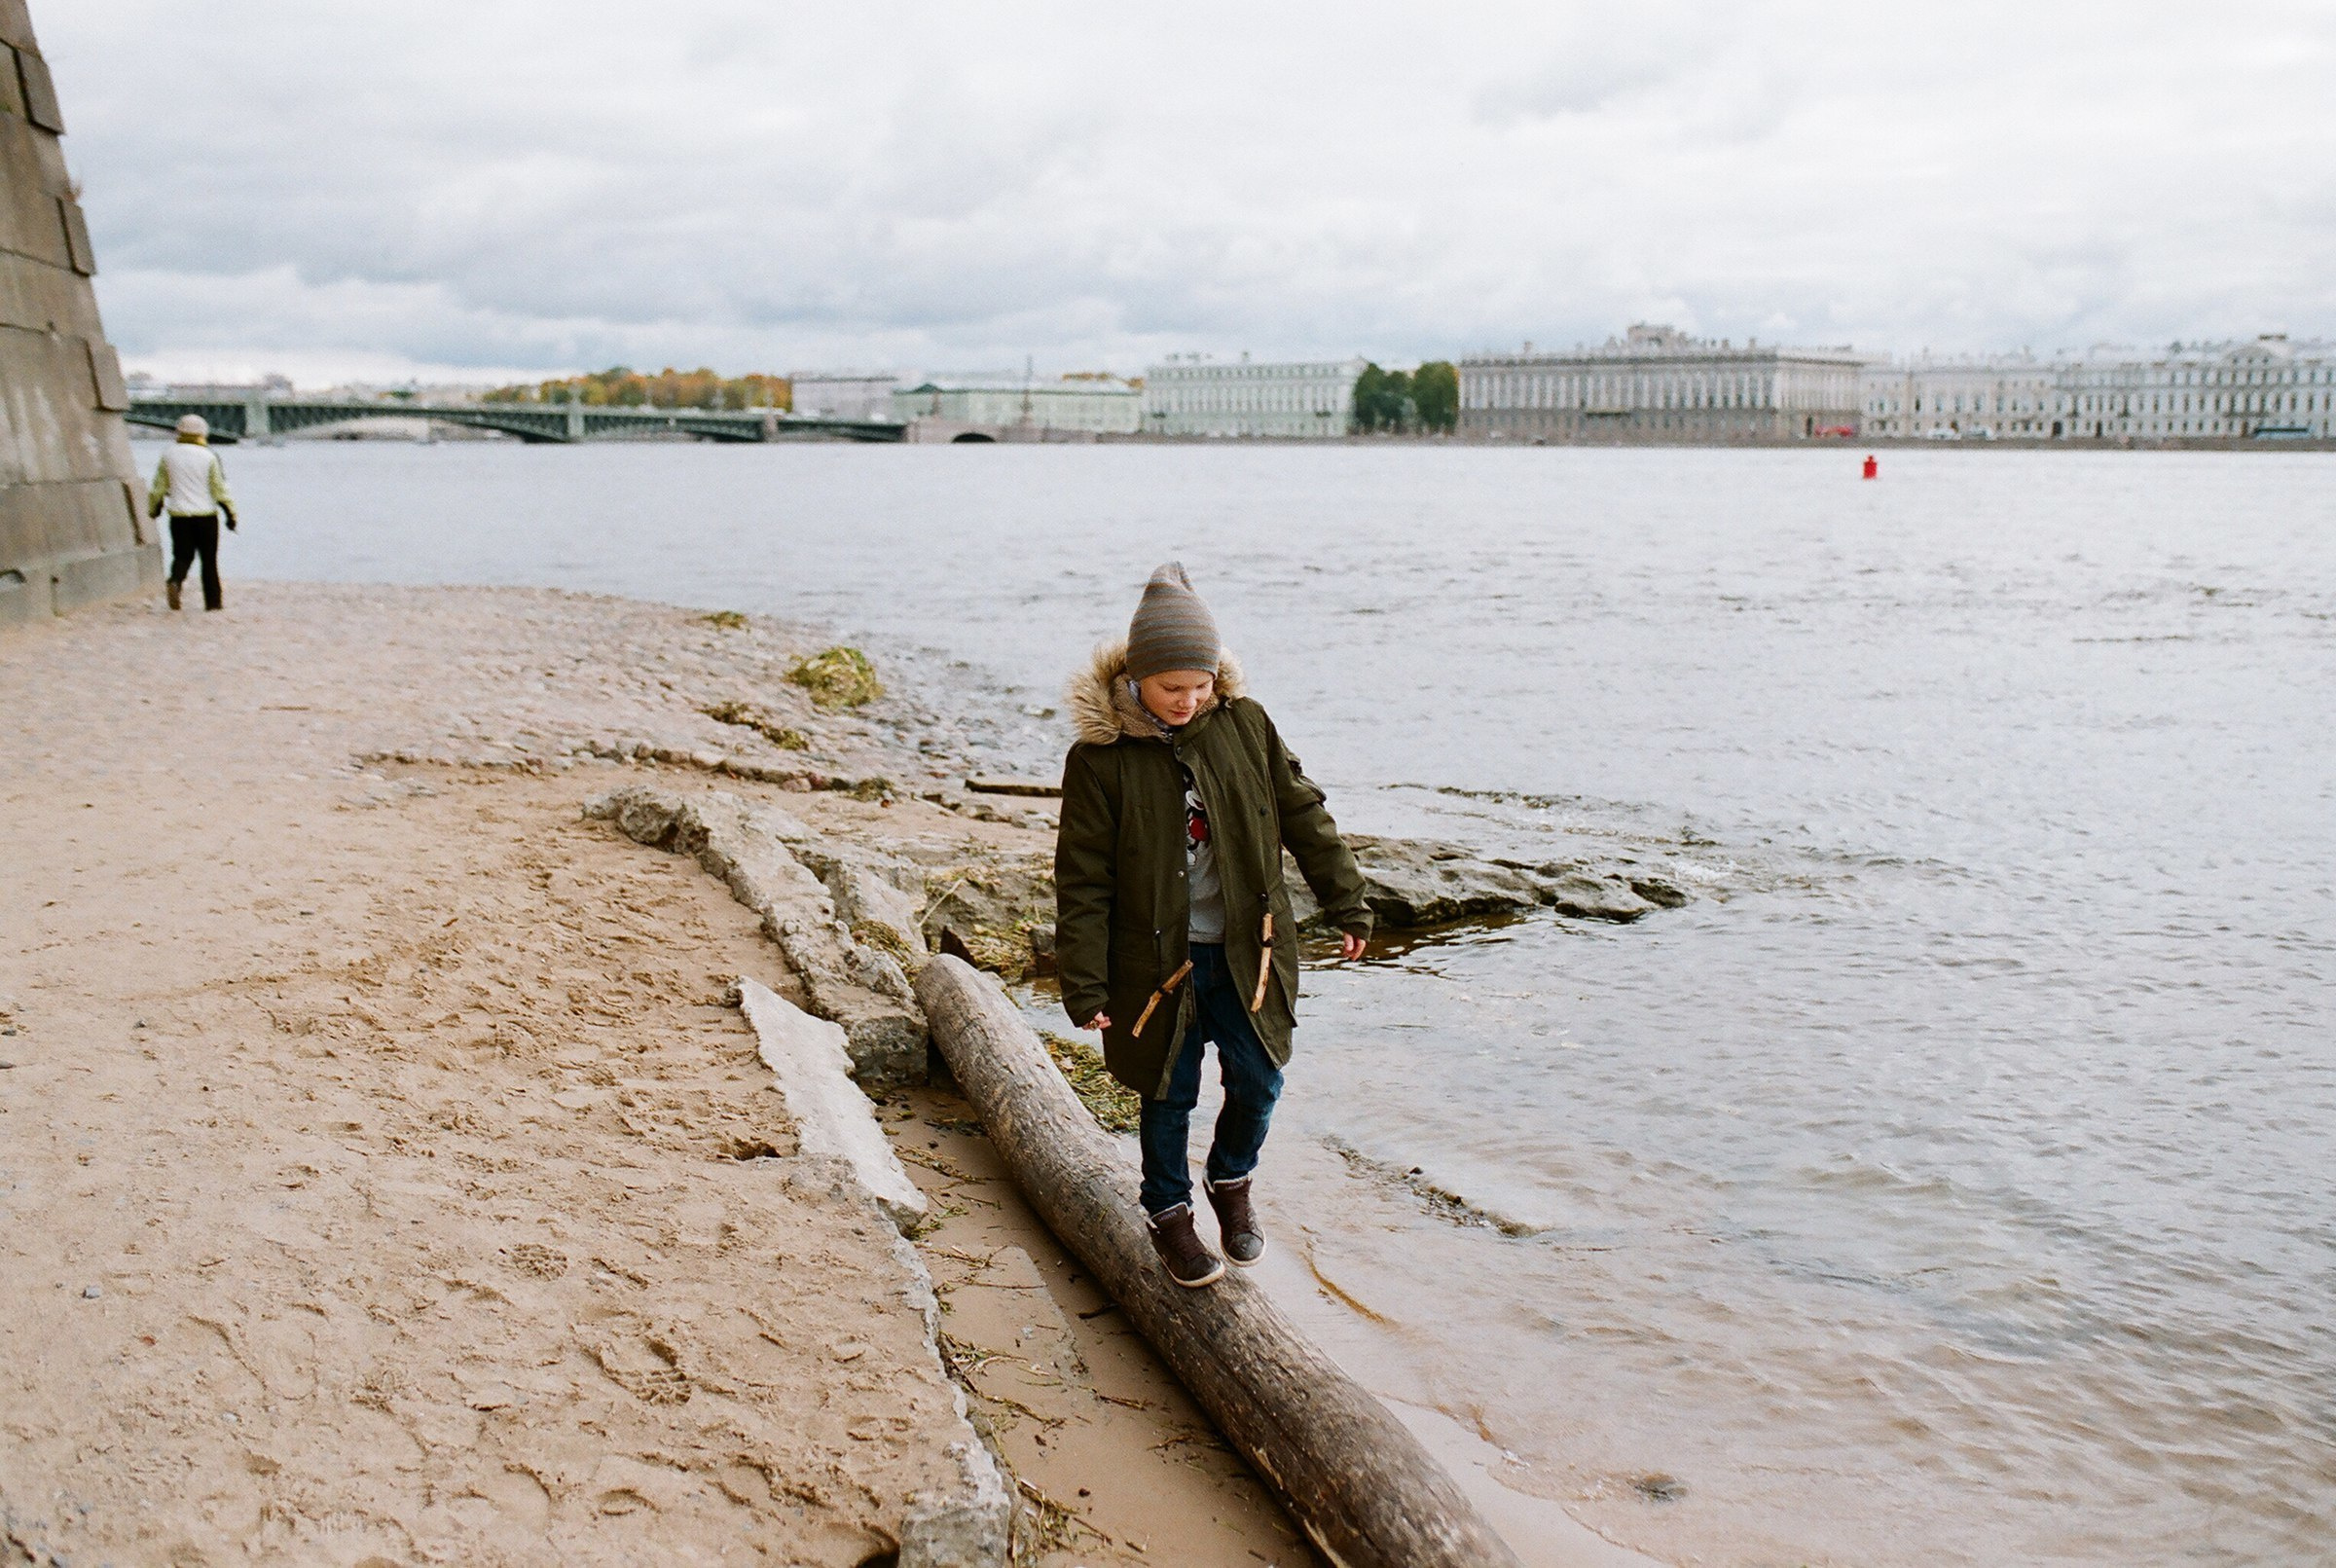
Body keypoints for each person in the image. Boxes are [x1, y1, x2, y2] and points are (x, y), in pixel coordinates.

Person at [1055, 563, 1373, 1288]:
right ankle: (1168, 1211)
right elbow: (1082, 881)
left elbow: (1304, 816)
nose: (1189, 700)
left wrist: (1347, 900)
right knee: (1168, 1093)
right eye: (1173, 688)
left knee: (1259, 1079)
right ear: (1137, 677)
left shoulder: (1245, 725)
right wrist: (1086, 982)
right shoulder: (1099, 761)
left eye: (1201, 685)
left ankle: (1231, 1179)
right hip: (1153, 962)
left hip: (1247, 954)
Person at [148, 414, 237, 611]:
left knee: (182, 555)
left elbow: (159, 487)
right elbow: (219, 489)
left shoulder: (168, 455)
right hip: (206, 516)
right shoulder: (209, 456)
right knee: (209, 561)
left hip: (179, 516)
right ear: (203, 433)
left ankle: (175, 581)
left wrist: (154, 508)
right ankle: (213, 603)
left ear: (179, 432)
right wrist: (231, 515)